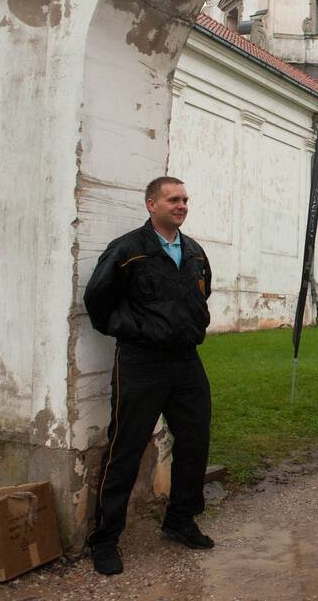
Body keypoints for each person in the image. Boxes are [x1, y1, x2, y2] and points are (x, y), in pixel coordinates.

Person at [83, 176, 215, 576]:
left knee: (195, 440)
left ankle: (180, 520)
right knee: (125, 447)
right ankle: (105, 539)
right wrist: (136, 330)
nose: (181, 205)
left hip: (186, 361)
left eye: (185, 199)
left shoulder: (193, 252)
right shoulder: (128, 250)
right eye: (173, 199)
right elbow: (97, 299)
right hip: (141, 362)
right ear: (151, 204)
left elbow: (202, 293)